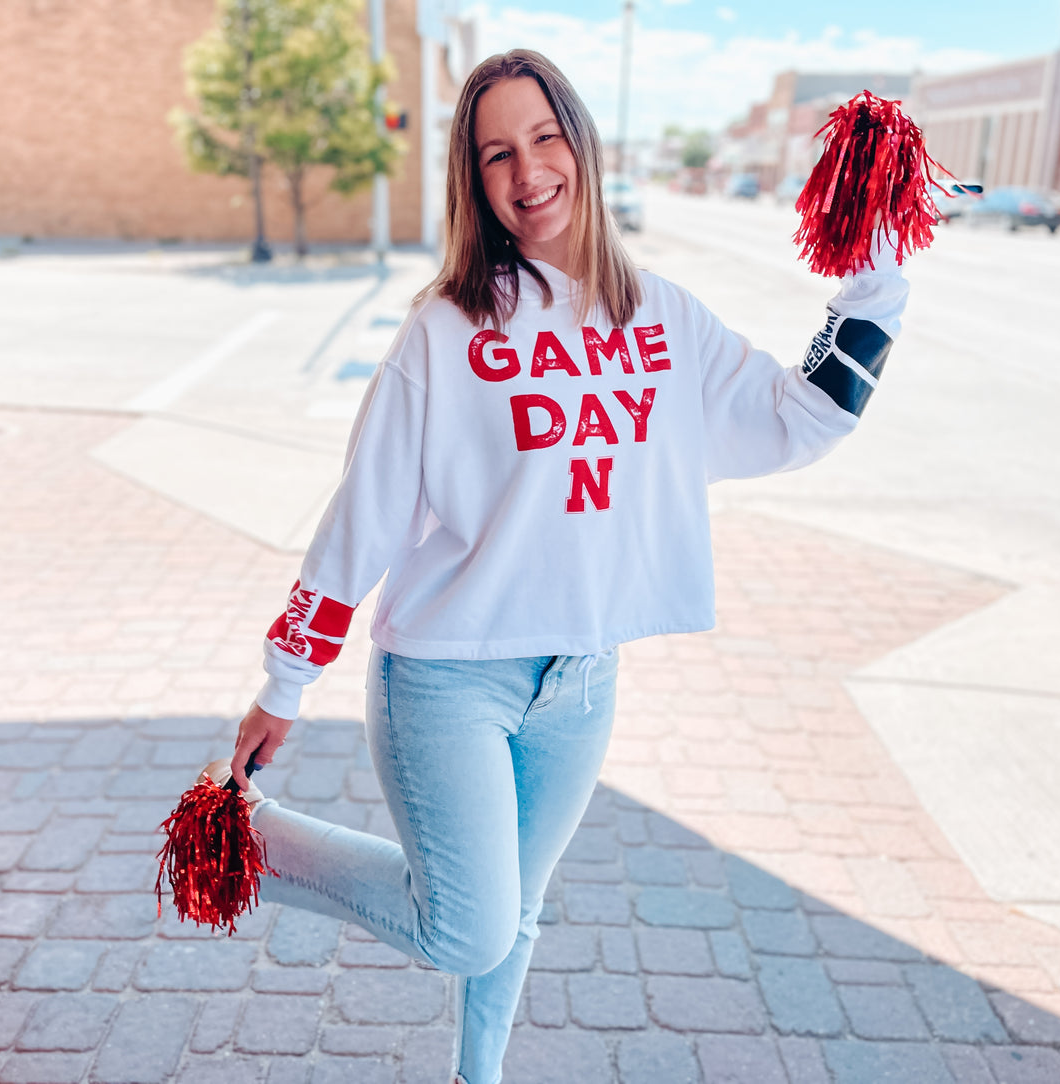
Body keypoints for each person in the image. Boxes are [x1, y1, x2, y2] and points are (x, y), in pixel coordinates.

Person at [212, 48, 908, 1084]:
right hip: (448, 676)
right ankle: (256, 842)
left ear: (577, 143)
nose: (526, 170)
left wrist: (876, 272)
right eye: (495, 152)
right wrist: (286, 681)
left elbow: (797, 419)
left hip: (580, 680)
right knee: (464, 929)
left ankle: (474, 1076)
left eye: (542, 138)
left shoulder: (660, 319)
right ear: (472, 179)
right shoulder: (444, 331)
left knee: (518, 912)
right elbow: (362, 514)